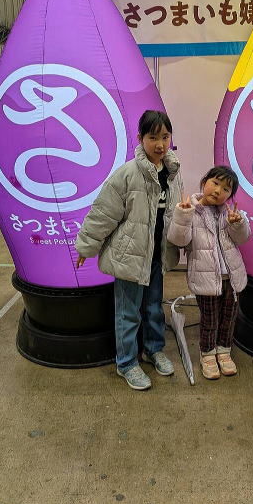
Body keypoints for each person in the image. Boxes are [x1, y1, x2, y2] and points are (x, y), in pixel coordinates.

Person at [75, 110, 182, 391]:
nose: (160, 144)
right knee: (128, 313)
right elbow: (103, 213)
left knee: (154, 308)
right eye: (153, 137)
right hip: (129, 257)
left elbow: (175, 213)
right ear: (140, 138)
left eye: (165, 137)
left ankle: (153, 350)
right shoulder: (127, 174)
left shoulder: (173, 172)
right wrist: (87, 245)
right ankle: (126, 363)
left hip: (157, 256)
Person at [167, 166, 250, 380]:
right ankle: (207, 354)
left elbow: (242, 239)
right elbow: (178, 240)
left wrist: (237, 224)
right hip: (205, 279)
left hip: (232, 278)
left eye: (226, 189)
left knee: (229, 318)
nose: (218, 190)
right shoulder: (190, 210)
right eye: (215, 183)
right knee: (210, 320)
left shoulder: (230, 214)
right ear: (205, 182)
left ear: (230, 195)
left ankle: (224, 351)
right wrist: (183, 215)